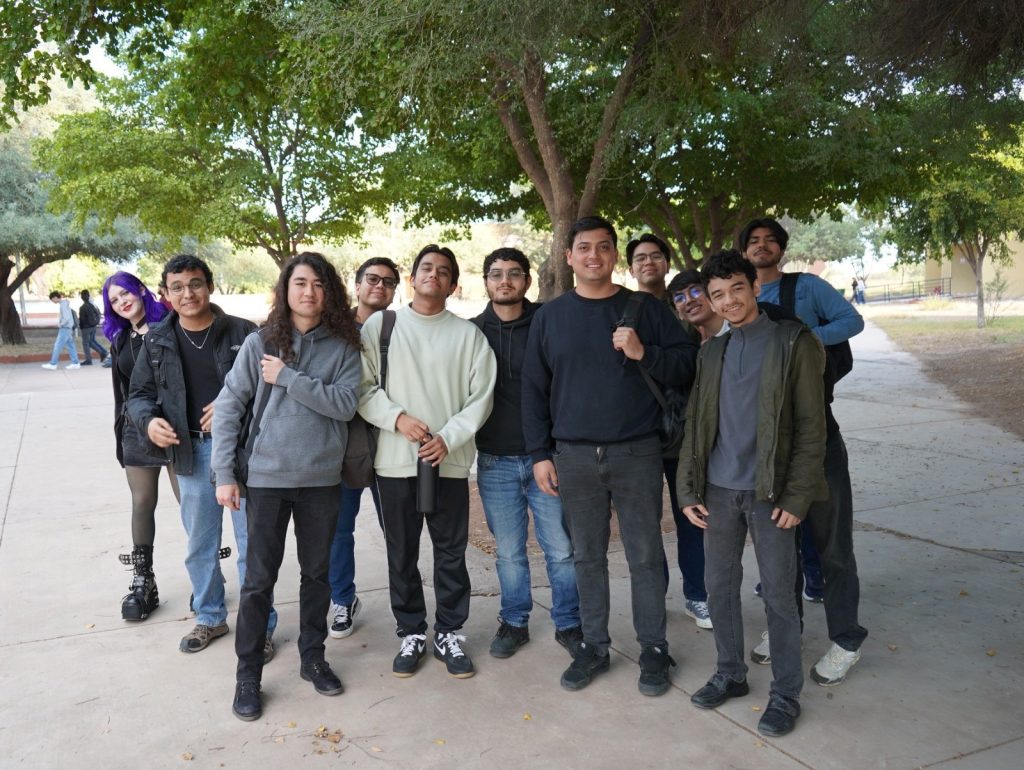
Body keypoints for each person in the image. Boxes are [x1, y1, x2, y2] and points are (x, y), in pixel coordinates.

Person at [522, 216, 698, 696]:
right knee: (586, 557)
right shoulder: (550, 317)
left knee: (645, 555)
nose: (594, 255)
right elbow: (534, 389)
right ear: (569, 257)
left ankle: (654, 648)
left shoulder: (645, 309)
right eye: (584, 247)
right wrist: (540, 453)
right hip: (574, 456)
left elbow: (687, 364)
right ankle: (594, 646)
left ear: (615, 254)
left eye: (603, 246)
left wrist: (645, 353)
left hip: (637, 451)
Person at [678, 249, 827, 737]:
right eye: (717, 294)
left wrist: (797, 496)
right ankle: (731, 673)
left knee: (780, 596)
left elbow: (811, 427)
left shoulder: (793, 343)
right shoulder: (712, 352)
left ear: (755, 288)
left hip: (770, 494)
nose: (728, 301)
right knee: (718, 588)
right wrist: (688, 488)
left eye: (736, 289)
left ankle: (785, 694)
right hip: (718, 492)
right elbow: (696, 425)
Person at [213, 252, 362, 721]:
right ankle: (248, 675)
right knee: (258, 581)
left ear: (329, 292)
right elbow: (229, 407)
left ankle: (313, 658)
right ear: (285, 289)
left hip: (321, 480)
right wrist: (224, 474)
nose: (309, 292)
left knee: (317, 576)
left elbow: (344, 404)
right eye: (300, 283)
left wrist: (289, 377)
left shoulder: (344, 346)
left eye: (318, 284)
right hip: (267, 480)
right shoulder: (260, 343)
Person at [127, 254, 277, 657]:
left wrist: (232, 405)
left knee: (252, 545)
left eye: (195, 284)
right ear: (166, 293)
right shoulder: (156, 340)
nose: (188, 293)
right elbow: (138, 396)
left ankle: (259, 625)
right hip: (190, 453)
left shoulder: (244, 333)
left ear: (209, 285)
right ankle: (210, 616)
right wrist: (149, 422)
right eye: (177, 287)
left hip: (242, 454)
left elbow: (270, 389)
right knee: (200, 545)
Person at [358, 245, 496, 679]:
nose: (433, 274)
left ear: (453, 285)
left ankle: (449, 632)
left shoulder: (469, 336)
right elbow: (362, 387)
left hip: (448, 462)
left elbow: (481, 397)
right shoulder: (381, 326)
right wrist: (397, 418)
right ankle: (412, 631)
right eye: (426, 268)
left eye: (443, 271)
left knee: (451, 554)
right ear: (412, 278)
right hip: (394, 462)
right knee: (401, 553)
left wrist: (448, 439)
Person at [741, 216, 868, 686]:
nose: (762, 246)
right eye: (753, 241)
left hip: (817, 436)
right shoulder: (741, 301)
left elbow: (852, 320)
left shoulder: (807, 288)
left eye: (769, 240)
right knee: (781, 552)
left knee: (833, 547)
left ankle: (846, 639)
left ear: (781, 247)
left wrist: (809, 337)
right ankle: (785, 629)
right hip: (767, 446)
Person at [471, 247, 582, 660]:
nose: (505, 281)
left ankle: (569, 622)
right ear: (486, 281)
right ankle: (515, 621)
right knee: (509, 553)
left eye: (514, 273)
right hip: (495, 459)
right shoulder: (471, 332)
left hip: (546, 459)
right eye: (496, 273)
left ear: (527, 280)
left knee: (561, 549)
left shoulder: (547, 322)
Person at [628, 238, 711, 630]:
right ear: (631, 267)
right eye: (640, 258)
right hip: (641, 432)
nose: (649, 262)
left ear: (666, 261)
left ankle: (698, 594)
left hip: (685, 431)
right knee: (645, 522)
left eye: (656, 256)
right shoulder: (624, 308)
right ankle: (654, 595)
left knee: (691, 515)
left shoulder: (686, 303)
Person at [327, 257, 400, 640]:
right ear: (356, 286)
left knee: (398, 528)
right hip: (345, 441)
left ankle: (405, 602)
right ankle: (342, 599)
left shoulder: (400, 327)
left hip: (392, 438)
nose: (379, 286)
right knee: (340, 528)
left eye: (388, 281)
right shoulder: (334, 328)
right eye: (372, 279)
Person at [103, 271, 179, 620]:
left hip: (175, 429)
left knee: (191, 504)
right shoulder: (121, 339)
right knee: (142, 502)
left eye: (125, 293)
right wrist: (121, 434)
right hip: (136, 430)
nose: (122, 302)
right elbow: (121, 394)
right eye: (114, 300)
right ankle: (143, 581)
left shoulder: (170, 325)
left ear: (141, 290)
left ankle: (206, 576)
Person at [669, 270, 726, 341]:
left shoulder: (736, 325)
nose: (689, 300)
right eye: (680, 299)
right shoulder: (689, 345)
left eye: (696, 291)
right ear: (678, 313)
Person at [41, 291, 81, 370]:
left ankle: (53, 364)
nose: (52, 301)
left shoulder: (63, 305)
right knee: (71, 346)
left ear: (55, 297)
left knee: (57, 346)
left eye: (52, 299)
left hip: (65, 328)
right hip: (68, 328)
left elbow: (66, 318)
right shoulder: (65, 304)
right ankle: (75, 363)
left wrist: (61, 324)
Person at [78, 289, 111, 367]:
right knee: (92, 341)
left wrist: (81, 327)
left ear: (82, 297)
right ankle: (104, 352)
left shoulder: (82, 307)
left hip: (86, 328)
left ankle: (89, 360)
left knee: (86, 344)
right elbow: (98, 314)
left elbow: (82, 320)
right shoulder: (92, 305)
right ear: (88, 296)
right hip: (93, 326)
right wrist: (96, 323)